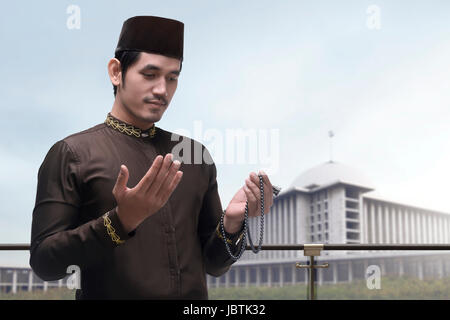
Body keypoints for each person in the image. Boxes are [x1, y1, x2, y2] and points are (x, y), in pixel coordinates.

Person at [29, 15, 274, 299]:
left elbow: (213, 264)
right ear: (116, 72)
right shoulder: (72, 153)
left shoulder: (194, 156)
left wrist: (232, 222)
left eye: (172, 78)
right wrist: (120, 222)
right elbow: (45, 263)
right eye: (150, 74)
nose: (162, 90)